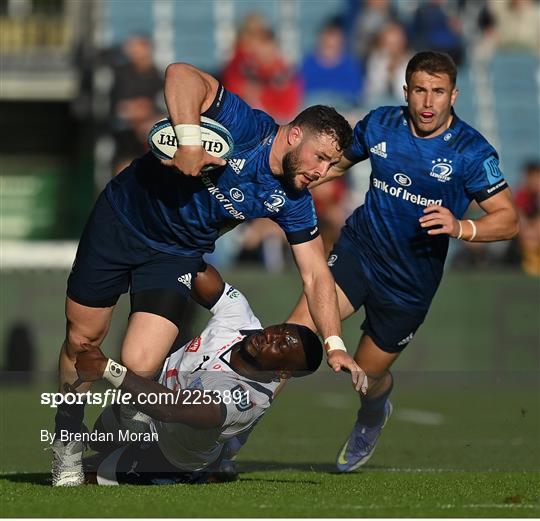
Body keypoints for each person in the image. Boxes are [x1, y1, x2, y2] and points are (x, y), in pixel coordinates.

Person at [52, 61, 362, 486]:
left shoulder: (294, 200)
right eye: (321, 158)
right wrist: (191, 140)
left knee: (140, 360)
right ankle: (67, 442)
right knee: (82, 339)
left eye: (330, 165)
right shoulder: (248, 128)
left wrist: (334, 344)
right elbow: (180, 74)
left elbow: (316, 276)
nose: (322, 172)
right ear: (294, 135)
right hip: (120, 219)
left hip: (176, 254)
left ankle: (121, 427)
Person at [288, 51, 519, 472]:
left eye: (438, 92)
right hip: (359, 251)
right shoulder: (380, 123)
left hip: (409, 284)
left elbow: (508, 220)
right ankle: (228, 440)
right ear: (406, 91)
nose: (428, 103)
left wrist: (460, 227)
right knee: (294, 339)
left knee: (368, 378)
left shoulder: (471, 151)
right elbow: (338, 162)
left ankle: (372, 415)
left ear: (454, 94)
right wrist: (296, 177)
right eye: (419, 91)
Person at [62, 267, 323, 485]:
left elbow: (174, 409)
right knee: (99, 436)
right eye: (278, 330)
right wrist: (179, 246)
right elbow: (203, 277)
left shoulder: (245, 397)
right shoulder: (241, 318)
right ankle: (222, 457)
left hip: (169, 452)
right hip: (148, 399)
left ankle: (206, 470)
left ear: (283, 371)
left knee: (79, 476)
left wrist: (108, 369)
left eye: (281, 346)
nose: (270, 337)